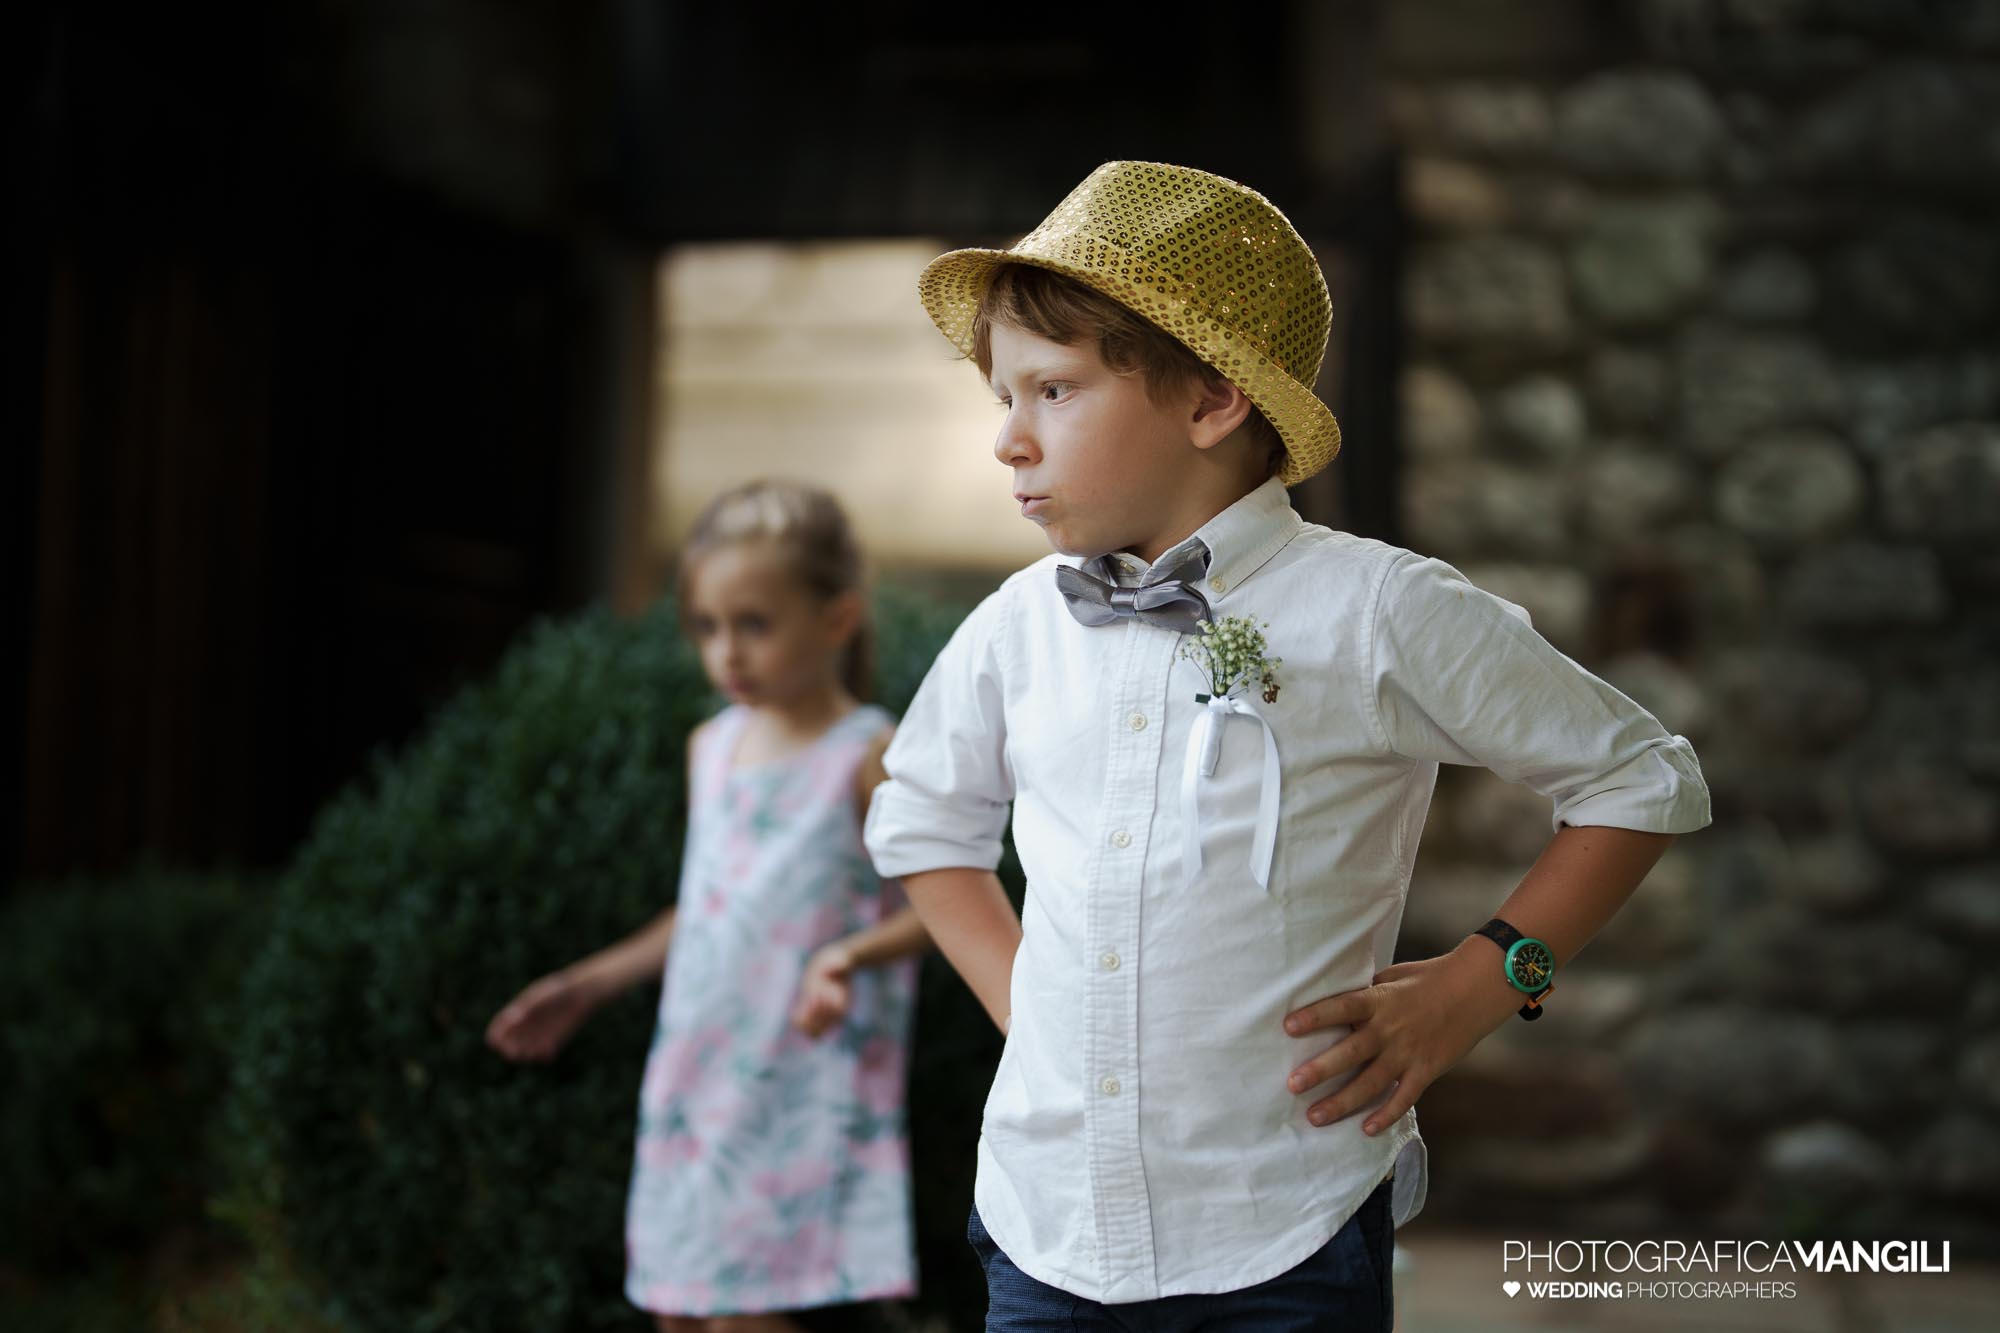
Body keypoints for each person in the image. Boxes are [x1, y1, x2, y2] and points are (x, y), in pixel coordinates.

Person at [862, 161, 1711, 1332]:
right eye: (1000, 400)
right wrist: (1030, 1007)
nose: (1008, 441)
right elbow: (920, 821)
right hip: (1043, 1226)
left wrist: (1482, 984)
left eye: (1050, 391)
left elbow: (1642, 778)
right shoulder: (1018, 625)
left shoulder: (1375, 610)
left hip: (1282, 1234)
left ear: (1210, 403)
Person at [487, 479, 930, 1333]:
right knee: (680, 1309)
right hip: (699, 1079)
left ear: (837, 618)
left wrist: (843, 956)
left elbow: (944, 911)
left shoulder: (865, 754)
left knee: (749, 1316)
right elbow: (708, 905)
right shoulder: (713, 747)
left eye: (754, 624)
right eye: (708, 626)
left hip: (802, 1084)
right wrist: (588, 983)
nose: (726, 651)